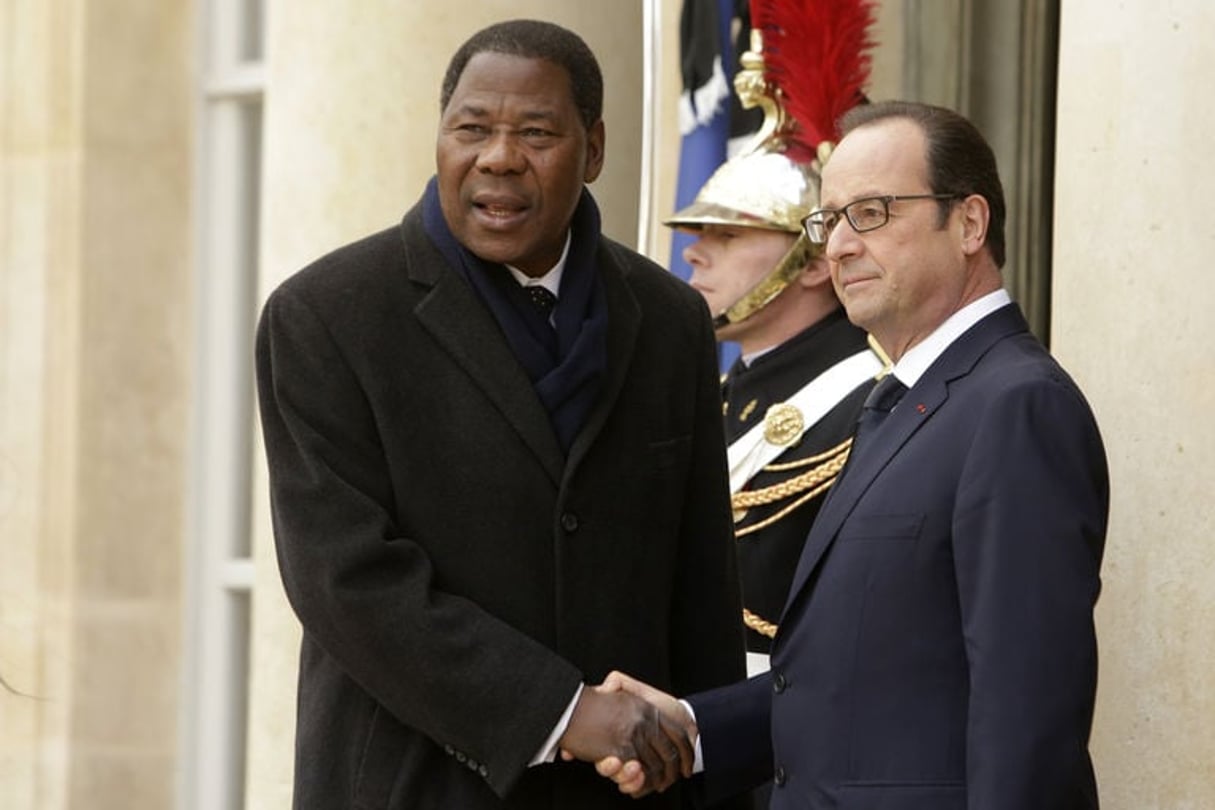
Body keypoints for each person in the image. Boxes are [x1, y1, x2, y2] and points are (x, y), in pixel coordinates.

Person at [255, 19, 746, 810]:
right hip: (412, 787)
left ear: (593, 151)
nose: (498, 156)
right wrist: (563, 712)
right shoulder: (325, 316)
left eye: (536, 132)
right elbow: (348, 583)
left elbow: (701, 596)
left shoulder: (668, 319)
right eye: (471, 128)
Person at [596, 100, 1110, 810]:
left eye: (869, 212)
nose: (836, 245)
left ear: (968, 223)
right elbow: (851, 681)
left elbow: (1027, 719)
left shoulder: (1015, 405)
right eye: (828, 219)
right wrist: (689, 726)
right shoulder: (905, 401)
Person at [666, 0, 883, 679]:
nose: (694, 255)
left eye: (726, 235)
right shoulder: (721, 394)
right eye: (699, 234)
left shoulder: (869, 404)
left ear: (815, 260)